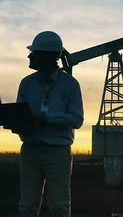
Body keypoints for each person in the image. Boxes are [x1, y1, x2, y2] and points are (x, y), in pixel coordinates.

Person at [15, 31, 84, 217]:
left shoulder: (70, 85)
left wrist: (46, 118)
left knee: (59, 207)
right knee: (27, 208)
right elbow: (19, 114)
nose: (30, 56)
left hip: (58, 151)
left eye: (34, 53)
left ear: (48, 56)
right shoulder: (26, 84)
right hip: (31, 149)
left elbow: (77, 119)